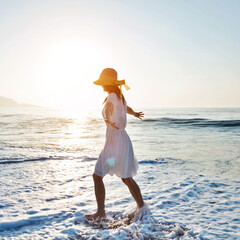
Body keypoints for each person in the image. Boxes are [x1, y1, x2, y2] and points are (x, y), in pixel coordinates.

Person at [85, 68, 144, 221]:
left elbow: (108, 108)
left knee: (97, 176)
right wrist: (135, 113)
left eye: (102, 83)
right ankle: (143, 208)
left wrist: (107, 120)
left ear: (107, 84)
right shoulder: (120, 96)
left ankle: (100, 212)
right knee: (127, 178)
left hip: (113, 143)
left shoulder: (111, 96)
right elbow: (126, 108)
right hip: (123, 141)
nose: (101, 86)